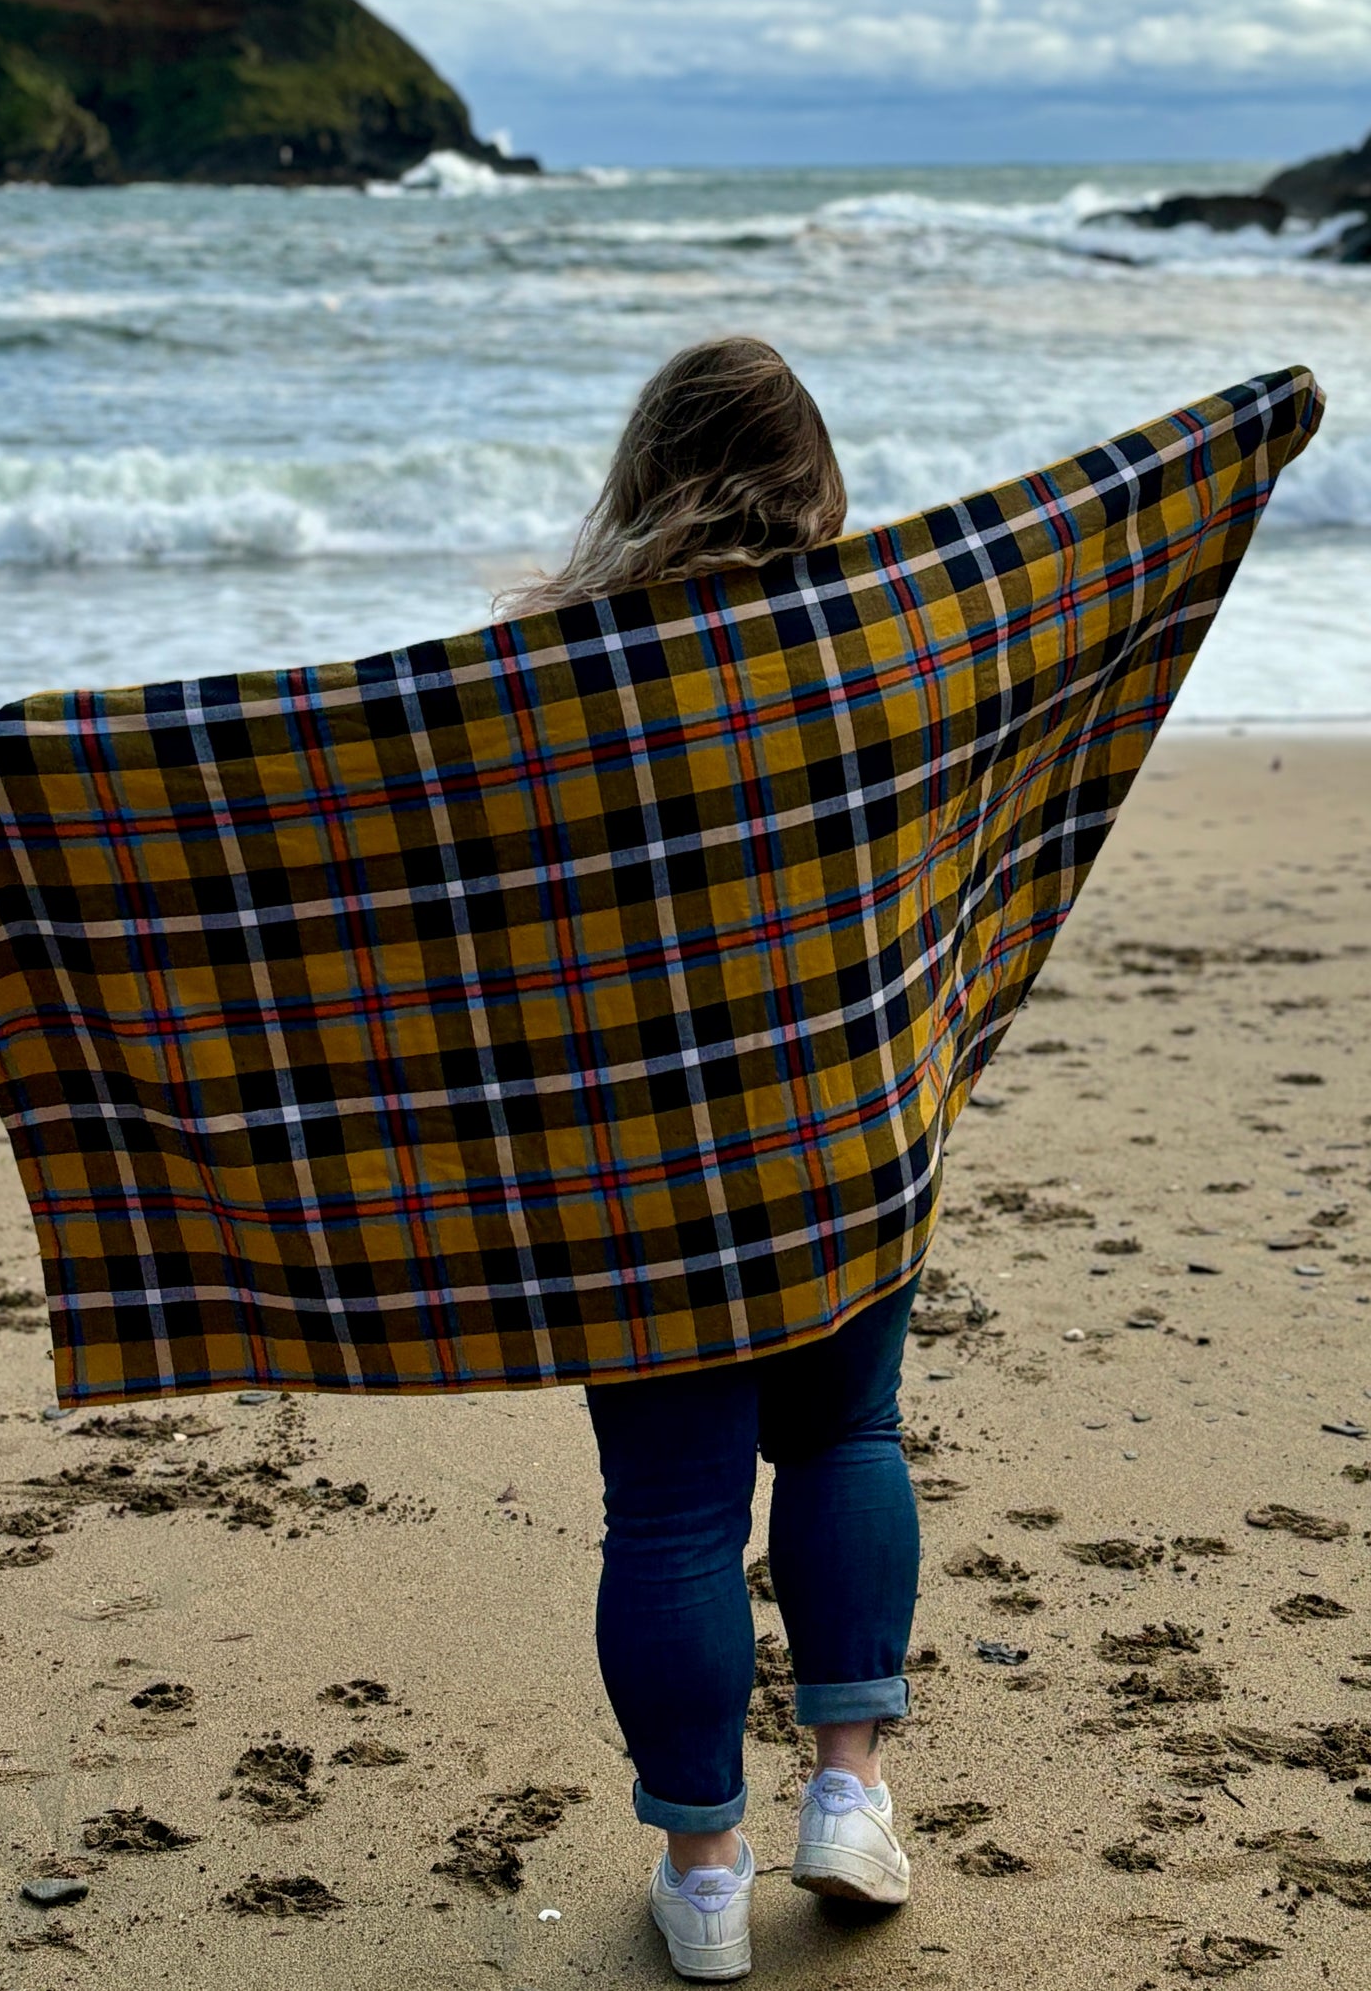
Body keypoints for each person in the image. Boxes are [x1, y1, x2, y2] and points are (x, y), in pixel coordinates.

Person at [504, 338, 917, 1982]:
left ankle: (701, 1877)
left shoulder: (534, 673)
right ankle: (847, 1795)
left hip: (632, 1164)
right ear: (810, 485)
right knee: (841, 1440)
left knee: (669, 1519)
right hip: (837, 1131)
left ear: (640, 474)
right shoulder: (878, 648)